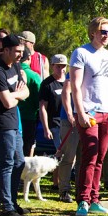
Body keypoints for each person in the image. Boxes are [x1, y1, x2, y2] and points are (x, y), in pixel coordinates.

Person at [70, 17, 108, 216]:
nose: (106, 36)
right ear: (93, 32)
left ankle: (95, 199)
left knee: (101, 157)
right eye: (103, 32)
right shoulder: (81, 53)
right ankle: (83, 200)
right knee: (89, 156)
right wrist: (80, 112)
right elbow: (75, 86)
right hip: (89, 112)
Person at [0, 35, 30, 216]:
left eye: (22, 51)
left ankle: (12, 201)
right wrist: (17, 95)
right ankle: (7, 208)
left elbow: (26, 91)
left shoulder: (16, 66)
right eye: (17, 51)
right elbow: (6, 102)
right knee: (7, 163)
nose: (20, 55)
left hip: (14, 121)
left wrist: (16, 95)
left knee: (19, 162)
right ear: (6, 50)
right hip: (1, 123)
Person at [39, 53, 67, 188]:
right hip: (55, 124)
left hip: (69, 122)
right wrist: (46, 128)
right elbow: (42, 107)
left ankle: (58, 182)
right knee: (61, 152)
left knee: (64, 154)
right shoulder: (47, 84)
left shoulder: (69, 81)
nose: (61, 69)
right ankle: (58, 183)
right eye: (58, 66)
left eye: (63, 66)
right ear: (52, 66)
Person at [56, 75, 80, 203]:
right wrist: (70, 114)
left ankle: (82, 191)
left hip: (88, 119)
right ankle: (64, 191)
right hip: (70, 121)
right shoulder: (75, 69)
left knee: (84, 158)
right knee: (69, 156)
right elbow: (65, 91)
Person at [18, 47, 41, 157]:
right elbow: (39, 98)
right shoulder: (33, 76)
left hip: (13, 115)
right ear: (29, 58)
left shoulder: (11, 72)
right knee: (28, 145)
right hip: (30, 116)